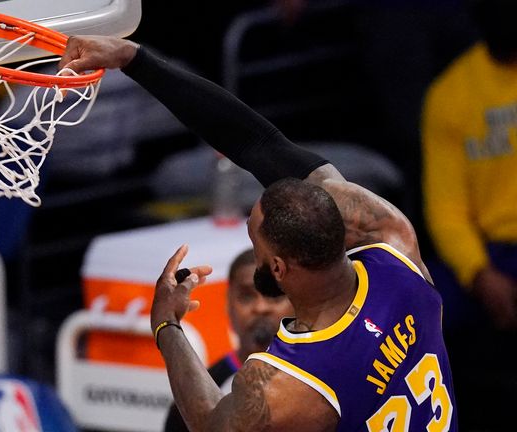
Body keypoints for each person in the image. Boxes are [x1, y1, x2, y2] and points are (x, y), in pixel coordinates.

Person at [58, 36, 457, 431]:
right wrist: (133, 59)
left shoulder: (292, 383)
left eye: (254, 240)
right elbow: (258, 142)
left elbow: (210, 422)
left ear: (278, 268)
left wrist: (167, 326)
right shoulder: (392, 242)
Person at [421, 0, 517, 428]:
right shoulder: (451, 94)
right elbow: (446, 210)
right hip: (492, 253)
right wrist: (479, 272)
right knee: (421, 311)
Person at [163, 248, 293, 432]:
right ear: (227, 304)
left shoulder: (320, 378)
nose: (261, 307)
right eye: (247, 297)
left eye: (273, 295)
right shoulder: (196, 391)